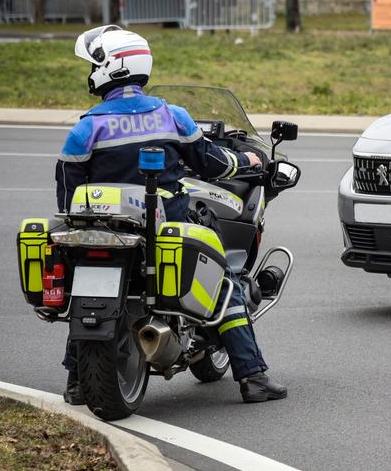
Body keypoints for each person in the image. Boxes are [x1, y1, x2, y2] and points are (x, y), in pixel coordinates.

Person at [56, 25, 287, 405]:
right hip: (168, 228)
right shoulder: (171, 116)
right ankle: (253, 377)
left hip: (104, 233)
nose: (89, 70)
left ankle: (77, 382)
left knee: (91, 294)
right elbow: (211, 164)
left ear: (112, 68)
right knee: (225, 287)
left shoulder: (85, 129)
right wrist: (248, 159)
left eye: (93, 62)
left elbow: (67, 193)